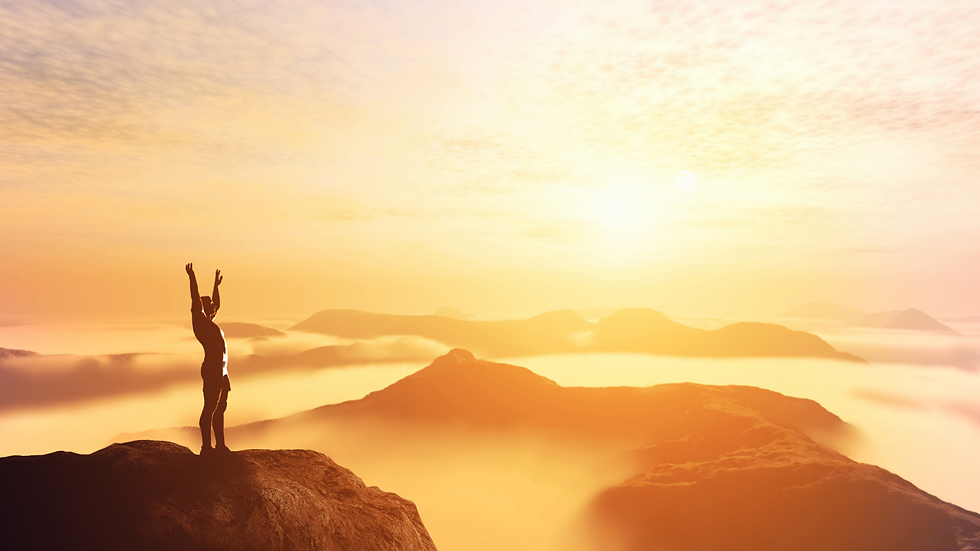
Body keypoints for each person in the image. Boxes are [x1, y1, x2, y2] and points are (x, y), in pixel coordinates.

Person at [185, 263, 231, 456]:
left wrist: (216, 286)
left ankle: (219, 445)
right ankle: (206, 447)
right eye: (210, 304)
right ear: (203, 308)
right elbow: (195, 300)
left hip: (222, 372)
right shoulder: (201, 324)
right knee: (210, 407)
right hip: (212, 371)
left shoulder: (210, 323)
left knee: (220, 408)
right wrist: (192, 277)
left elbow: (217, 304)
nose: (214, 305)